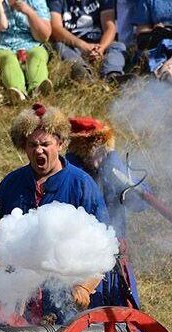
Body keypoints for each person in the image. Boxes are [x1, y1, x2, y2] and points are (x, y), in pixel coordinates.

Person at [0, 103, 109, 322]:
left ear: (60, 143)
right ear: (24, 147)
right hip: (17, 294)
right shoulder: (11, 184)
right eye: (32, 145)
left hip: (64, 297)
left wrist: (84, 287)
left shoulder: (82, 185)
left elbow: (104, 249)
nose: (39, 150)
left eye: (45, 144)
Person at [65, 116, 149, 309]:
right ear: (84, 149)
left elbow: (140, 202)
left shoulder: (113, 166)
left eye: (105, 149)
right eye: (97, 149)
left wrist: (117, 171)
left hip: (116, 257)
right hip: (83, 262)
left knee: (125, 322)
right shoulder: (71, 173)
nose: (101, 155)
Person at [0, 0, 52, 103]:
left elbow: (44, 36)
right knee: (8, 59)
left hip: (31, 43)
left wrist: (29, 12)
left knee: (37, 54)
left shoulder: (36, 2)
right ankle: (17, 93)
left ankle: (37, 90)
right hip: (1, 45)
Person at [47, 0, 126, 81]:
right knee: (59, 46)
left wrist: (101, 48)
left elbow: (110, 27)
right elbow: (55, 28)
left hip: (98, 44)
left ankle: (112, 75)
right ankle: (84, 74)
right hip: (73, 45)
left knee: (118, 46)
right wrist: (82, 45)